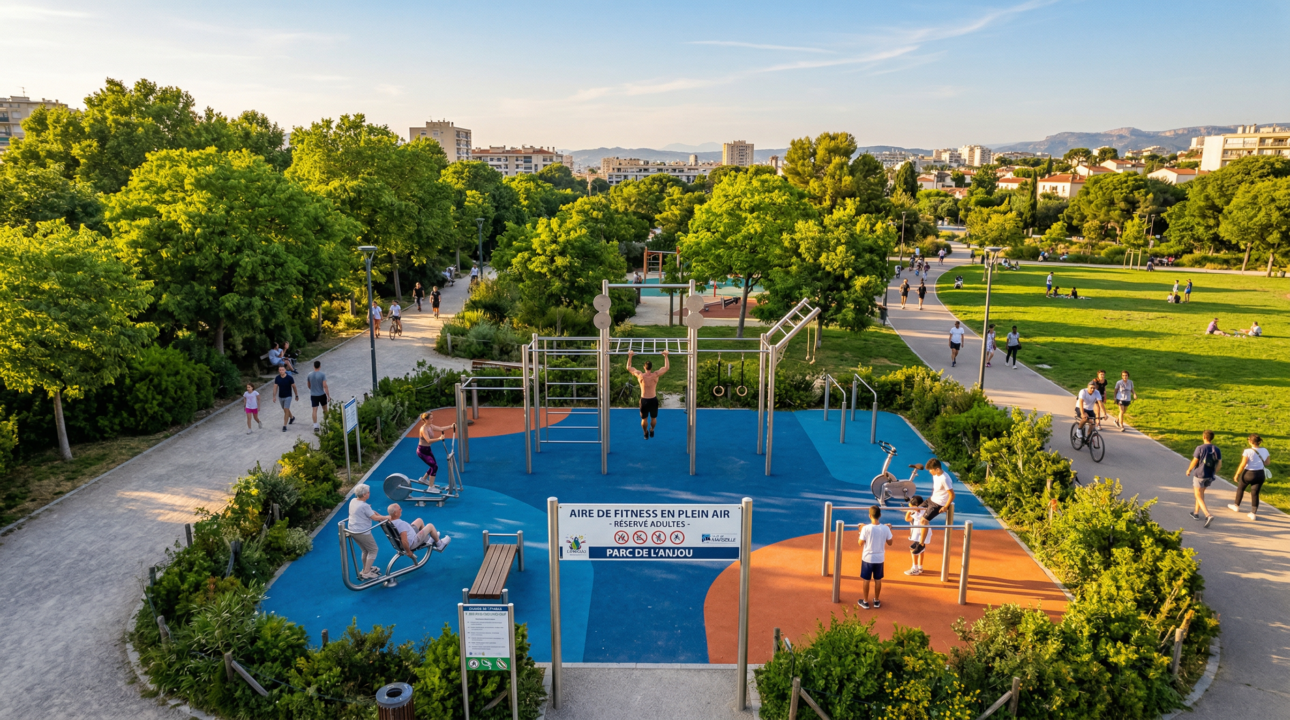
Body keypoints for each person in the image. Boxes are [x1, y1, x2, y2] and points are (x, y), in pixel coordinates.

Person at [856, 505, 894, 609]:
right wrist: (889, 530)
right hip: (879, 558)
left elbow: (860, 543)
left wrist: (860, 530)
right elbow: (890, 543)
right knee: (878, 580)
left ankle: (865, 601)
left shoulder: (865, 528)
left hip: (867, 558)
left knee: (866, 580)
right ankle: (876, 600)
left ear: (869, 515)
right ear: (880, 515)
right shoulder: (885, 528)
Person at [348, 484, 389, 580]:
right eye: (368, 492)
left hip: (353, 530)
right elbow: (375, 518)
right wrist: (387, 517)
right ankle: (366, 572)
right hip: (362, 532)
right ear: (364, 494)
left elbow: (361, 510)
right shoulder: (364, 506)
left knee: (365, 550)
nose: (369, 493)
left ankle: (366, 568)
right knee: (373, 549)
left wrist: (367, 508)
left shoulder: (353, 501)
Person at [627, 349, 670, 439]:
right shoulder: (655, 375)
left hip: (644, 400)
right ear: (651, 367)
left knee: (644, 419)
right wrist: (666, 356)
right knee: (653, 418)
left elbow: (629, 368)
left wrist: (630, 356)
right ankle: (652, 429)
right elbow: (666, 368)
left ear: (644, 367)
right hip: (653, 399)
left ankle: (645, 432)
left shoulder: (640, 375)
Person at [1228, 434, 1270, 521]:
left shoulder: (1247, 451)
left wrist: (1237, 474)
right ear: (1259, 442)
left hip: (1249, 473)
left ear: (1250, 441)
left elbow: (1243, 464)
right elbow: (1267, 463)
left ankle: (1236, 505)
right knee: (1255, 493)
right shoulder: (1265, 450)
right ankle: (1253, 513)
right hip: (1260, 474)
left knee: (1240, 489)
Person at [1185, 430, 1221, 528]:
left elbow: (1195, 460)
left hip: (1199, 474)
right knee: (1201, 494)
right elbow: (1219, 463)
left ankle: (1207, 514)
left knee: (1197, 494)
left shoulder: (1200, 448)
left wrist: (1189, 469)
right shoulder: (1216, 449)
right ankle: (1196, 513)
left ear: (1204, 437)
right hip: (1209, 475)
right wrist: (1214, 472)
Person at [415, 411, 457, 485]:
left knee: (433, 465)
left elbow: (440, 428)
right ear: (426, 420)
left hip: (428, 450)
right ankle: (431, 487)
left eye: (432, 418)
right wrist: (439, 438)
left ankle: (423, 479)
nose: (432, 420)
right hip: (422, 451)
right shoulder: (423, 429)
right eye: (431, 418)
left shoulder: (430, 426)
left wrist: (451, 426)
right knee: (434, 466)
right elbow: (428, 440)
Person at [904, 496, 931, 576]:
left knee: (913, 549)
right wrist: (911, 509)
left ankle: (915, 569)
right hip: (921, 534)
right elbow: (909, 519)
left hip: (920, 535)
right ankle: (920, 567)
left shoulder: (919, 513)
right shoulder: (923, 511)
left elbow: (907, 518)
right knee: (921, 550)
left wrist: (909, 510)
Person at [306, 360, 330, 430]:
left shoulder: (309, 374)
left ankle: (315, 425)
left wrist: (312, 389)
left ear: (313, 366)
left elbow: (308, 385)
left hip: (313, 395)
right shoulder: (322, 375)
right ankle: (327, 422)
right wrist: (328, 395)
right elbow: (325, 386)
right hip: (321, 394)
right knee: (325, 409)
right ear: (320, 366)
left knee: (314, 410)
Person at [273, 364, 298, 432]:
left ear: (285, 370)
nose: (281, 371)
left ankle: (284, 425)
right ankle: (292, 417)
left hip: (288, 396)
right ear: (278, 370)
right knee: (284, 409)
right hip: (281, 396)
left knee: (286, 410)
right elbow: (275, 387)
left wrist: (296, 395)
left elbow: (294, 387)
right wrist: (274, 396)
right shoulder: (277, 378)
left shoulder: (289, 378)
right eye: (280, 370)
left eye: (282, 370)